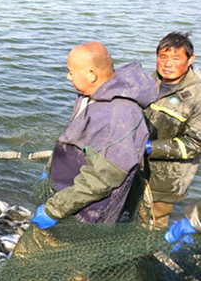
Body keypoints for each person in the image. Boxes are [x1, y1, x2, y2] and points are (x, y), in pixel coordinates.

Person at [31, 42, 156, 229]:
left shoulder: (117, 116)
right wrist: (50, 169)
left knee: (73, 251)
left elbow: (102, 178)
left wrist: (53, 210)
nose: (68, 77)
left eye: (71, 72)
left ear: (91, 75)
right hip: (68, 190)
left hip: (90, 211)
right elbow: (73, 136)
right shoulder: (90, 93)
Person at [143, 32, 199, 227]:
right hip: (135, 169)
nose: (167, 64)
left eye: (176, 58)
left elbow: (195, 143)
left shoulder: (197, 96)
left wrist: (150, 147)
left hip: (167, 179)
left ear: (190, 60)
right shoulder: (147, 81)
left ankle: (150, 256)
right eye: (163, 57)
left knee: (154, 225)